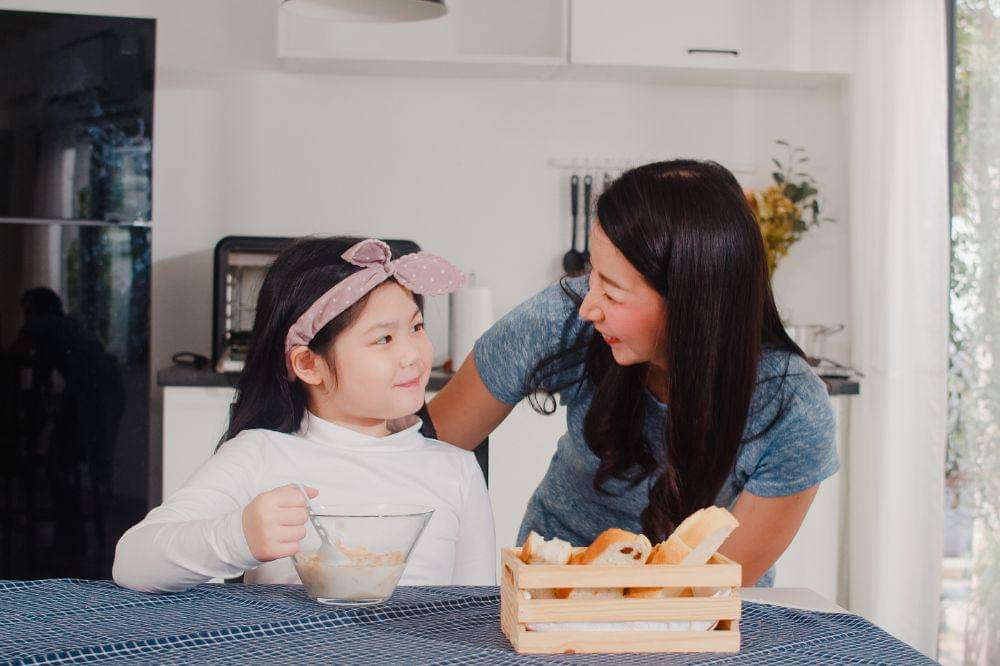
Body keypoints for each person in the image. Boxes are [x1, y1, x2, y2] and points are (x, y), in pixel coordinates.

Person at [424, 160, 838, 586]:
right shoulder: (567, 316)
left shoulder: (792, 408)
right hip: (555, 596)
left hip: (696, 618)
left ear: (690, 306)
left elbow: (708, 592)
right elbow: (427, 452)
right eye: (592, 276)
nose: (588, 304)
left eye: (613, 290)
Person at [114, 237, 495, 593]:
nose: (414, 353)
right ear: (309, 364)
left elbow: (473, 614)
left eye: (416, 327)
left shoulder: (456, 471)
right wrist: (238, 537)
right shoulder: (259, 455)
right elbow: (132, 561)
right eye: (384, 339)